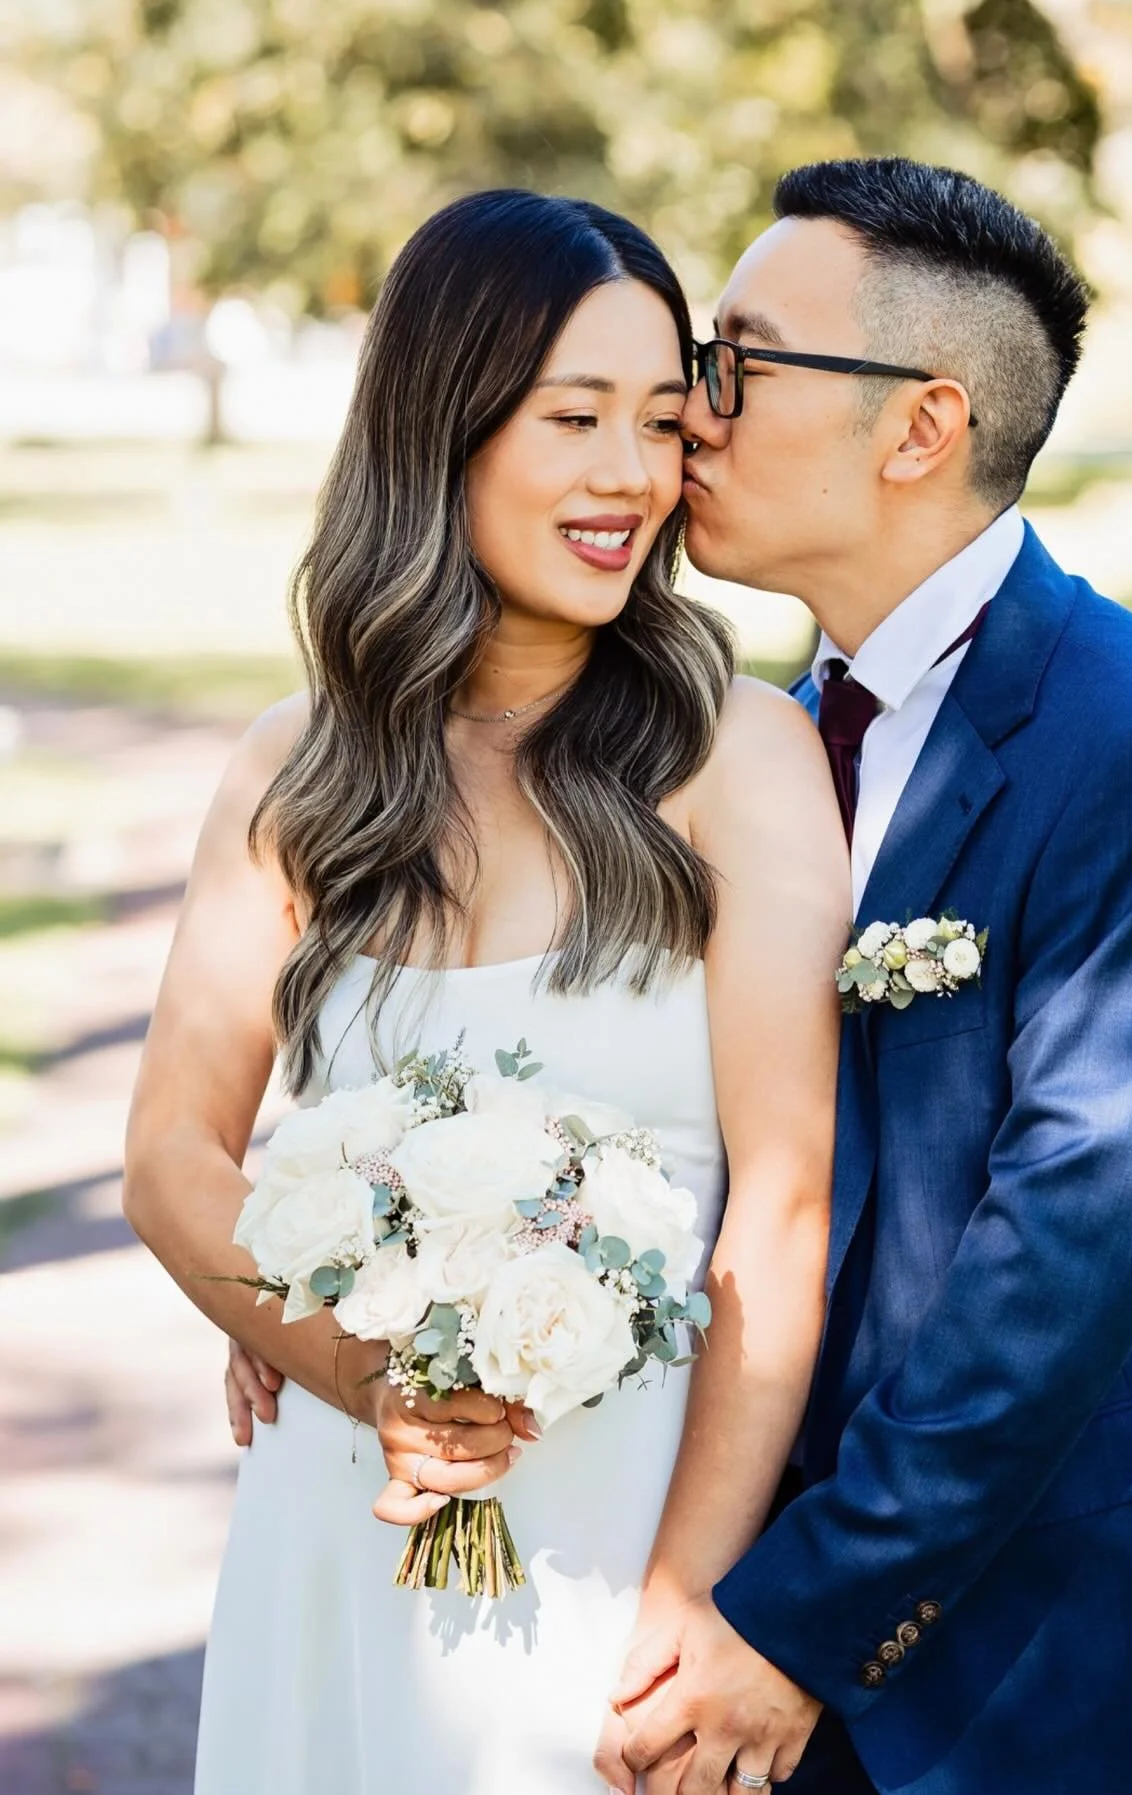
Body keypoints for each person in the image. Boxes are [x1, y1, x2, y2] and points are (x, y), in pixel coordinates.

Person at [594, 158, 1132, 1795]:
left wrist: (799, 1622)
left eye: (739, 363)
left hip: (1055, 1672)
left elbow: (1054, 1270)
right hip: (755, 1608)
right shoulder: (765, 738)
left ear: (921, 426)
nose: (691, 416)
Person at [122, 188, 850, 1795]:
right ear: (440, 428)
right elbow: (171, 1154)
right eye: (574, 417)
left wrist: (691, 1603)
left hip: (621, 1542)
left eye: (661, 419)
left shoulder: (737, 756)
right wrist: (354, 1368)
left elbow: (782, 1209)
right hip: (342, 1523)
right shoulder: (296, 773)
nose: (631, 475)